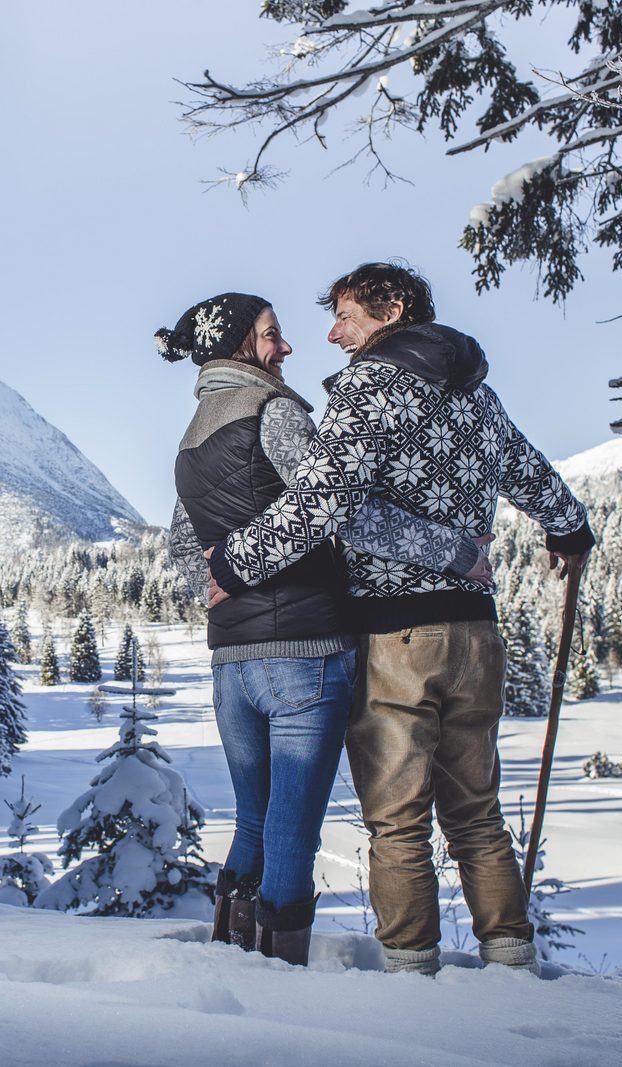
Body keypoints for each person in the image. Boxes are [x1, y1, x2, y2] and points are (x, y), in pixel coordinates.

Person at [205, 264, 594, 977]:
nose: (332, 332)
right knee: (477, 812)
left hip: (395, 635)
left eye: (347, 315)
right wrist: (568, 528)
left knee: (398, 818)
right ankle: (511, 964)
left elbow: (326, 499)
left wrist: (234, 562)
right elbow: (531, 474)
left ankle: (412, 981)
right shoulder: (477, 392)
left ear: (394, 309)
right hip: (476, 634)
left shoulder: (370, 387)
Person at [158, 291, 491, 966]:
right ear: (241, 346)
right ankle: (280, 974)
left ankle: (228, 963)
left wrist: (223, 588)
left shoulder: (194, 433)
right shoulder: (275, 412)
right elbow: (345, 510)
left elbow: (182, 552)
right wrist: (459, 551)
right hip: (304, 655)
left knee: (252, 821)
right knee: (290, 833)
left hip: (232, 662)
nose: (285, 348)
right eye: (271, 335)